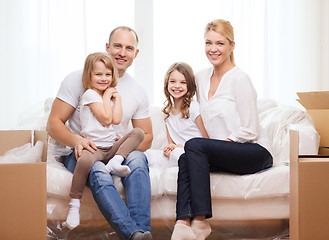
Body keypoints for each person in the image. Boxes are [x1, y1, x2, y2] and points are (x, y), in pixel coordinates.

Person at [47, 26, 153, 240]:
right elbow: (53, 123)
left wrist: (122, 148)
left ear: (136, 54)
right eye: (117, 46)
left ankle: (142, 232)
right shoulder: (78, 79)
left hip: (114, 150)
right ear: (107, 47)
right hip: (82, 151)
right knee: (97, 169)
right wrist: (77, 140)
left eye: (129, 48)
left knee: (139, 160)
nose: (122, 53)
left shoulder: (137, 90)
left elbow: (147, 135)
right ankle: (133, 235)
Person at [171, 19, 273, 240]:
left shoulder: (240, 79)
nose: (213, 49)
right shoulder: (200, 78)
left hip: (253, 151)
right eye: (208, 43)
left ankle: (200, 220)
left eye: (220, 43)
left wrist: (211, 148)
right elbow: (188, 110)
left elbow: (249, 130)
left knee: (194, 147)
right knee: (185, 156)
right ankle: (182, 223)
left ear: (231, 46)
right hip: (220, 151)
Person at [65, 52, 145, 230]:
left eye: (108, 74)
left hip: (111, 146)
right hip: (95, 148)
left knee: (138, 132)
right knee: (84, 161)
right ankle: (74, 204)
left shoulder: (106, 95)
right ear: (89, 76)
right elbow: (106, 119)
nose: (104, 79)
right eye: (98, 74)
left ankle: (116, 162)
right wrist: (108, 96)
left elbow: (116, 120)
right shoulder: (90, 95)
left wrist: (118, 99)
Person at [162, 62, 208, 162]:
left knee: (179, 154)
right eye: (173, 81)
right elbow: (171, 143)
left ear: (190, 85)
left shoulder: (193, 108)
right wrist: (170, 149)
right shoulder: (167, 114)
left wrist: (183, 148)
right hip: (178, 154)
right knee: (150, 155)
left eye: (183, 82)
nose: (177, 86)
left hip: (195, 153)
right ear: (167, 84)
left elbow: (206, 140)